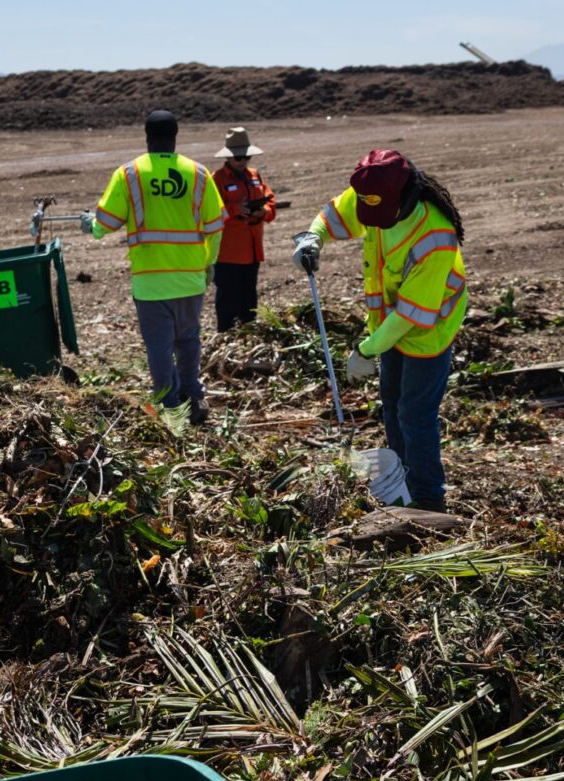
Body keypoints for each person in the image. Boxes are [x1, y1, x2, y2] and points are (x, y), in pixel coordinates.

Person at [292, 150, 468, 513]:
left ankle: (429, 498)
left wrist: (366, 351)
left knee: (414, 413)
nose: (374, 222)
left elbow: (410, 316)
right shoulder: (375, 196)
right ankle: (401, 479)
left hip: (427, 333)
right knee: (391, 405)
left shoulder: (435, 236)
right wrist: (313, 236)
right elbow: (336, 212)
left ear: (405, 197)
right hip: (388, 327)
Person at [82, 109, 226, 425]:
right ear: (175, 137)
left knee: (159, 348)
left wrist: (89, 225)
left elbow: (105, 222)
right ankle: (192, 395)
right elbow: (216, 226)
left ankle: (171, 407)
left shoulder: (130, 173)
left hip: (150, 282)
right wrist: (209, 263)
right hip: (190, 278)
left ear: (147, 137)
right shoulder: (199, 173)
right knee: (188, 339)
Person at [210, 127, 276, 331]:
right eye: (238, 157)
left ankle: (249, 335)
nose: (243, 161)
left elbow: (271, 203)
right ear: (229, 158)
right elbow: (210, 212)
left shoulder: (255, 176)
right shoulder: (217, 179)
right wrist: (235, 210)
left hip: (252, 250)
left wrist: (262, 211)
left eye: (246, 157)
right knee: (228, 300)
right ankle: (226, 338)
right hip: (228, 253)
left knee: (249, 298)